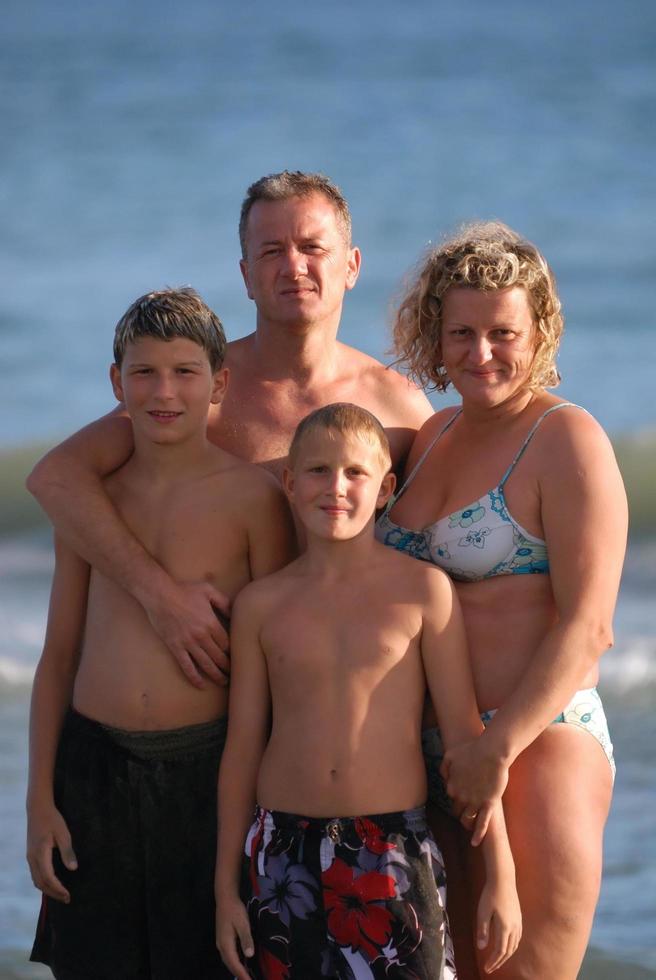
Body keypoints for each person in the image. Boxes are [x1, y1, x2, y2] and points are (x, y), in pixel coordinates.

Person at [26, 172, 432, 689]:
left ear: (351, 266)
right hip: (219, 690)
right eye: (270, 252)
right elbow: (56, 479)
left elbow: (441, 547)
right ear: (245, 275)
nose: (293, 266)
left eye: (312, 247)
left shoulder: (397, 406)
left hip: (342, 692)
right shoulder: (204, 391)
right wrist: (160, 597)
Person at [376, 223, 628, 979]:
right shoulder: (431, 435)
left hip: (536, 739)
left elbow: (589, 628)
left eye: (502, 332)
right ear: (435, 334)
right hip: (435, 751)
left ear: (540, 330)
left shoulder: (566, 439)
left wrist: (496, 749)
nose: (481, 352)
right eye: (462, 332)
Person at [26, 288, 296, 980]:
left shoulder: (253, 501)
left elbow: (272, 674)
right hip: (93, 771)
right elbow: (59, 657)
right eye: (144, 373)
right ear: (116, 383)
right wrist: (39, 800)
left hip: (206, 774)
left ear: (219, 383)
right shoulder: (93, 507)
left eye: (184, 372)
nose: (163, 391)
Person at [215, 403, 522, 980]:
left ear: (384, 489)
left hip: (392, 850)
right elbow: (242, 750)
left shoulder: (423, 593)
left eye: (355, 473)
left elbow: (465, 740)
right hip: (281, 851)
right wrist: (224, 891)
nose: (336, 487)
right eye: (318, 471)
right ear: (288, 482)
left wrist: (500, 876)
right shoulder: (261, 604)